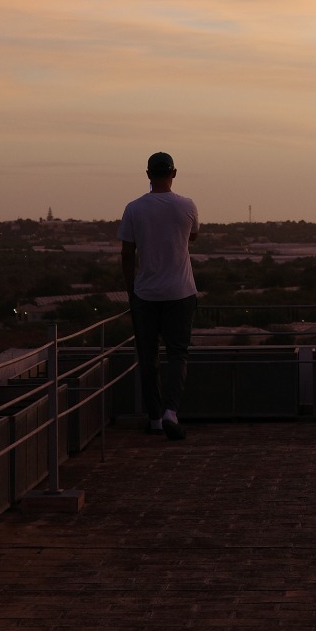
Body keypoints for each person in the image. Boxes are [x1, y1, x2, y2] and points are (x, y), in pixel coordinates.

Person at [119, 151, 198, 440]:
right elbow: (192, 236)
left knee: (148, 356)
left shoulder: (134, 209)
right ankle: (170, 412)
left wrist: (131, 289)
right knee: (177, 354)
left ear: (148, 174)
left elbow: (127, 253)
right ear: (173, 174)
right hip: (181, 292)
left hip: (146, 294)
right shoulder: (187, 206)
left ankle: (153, 418)